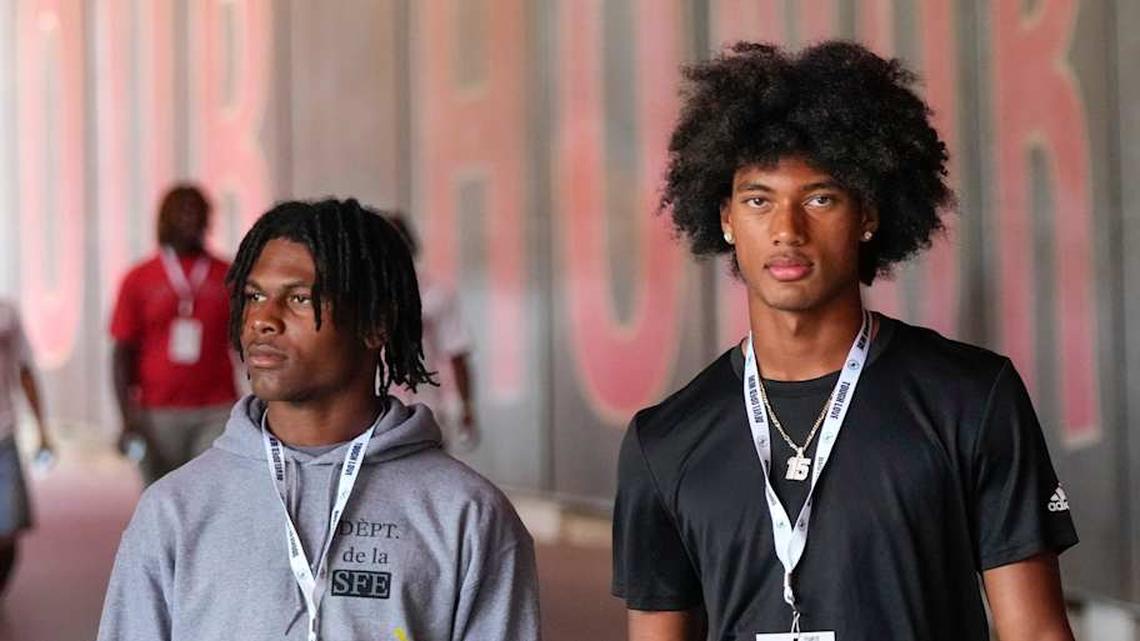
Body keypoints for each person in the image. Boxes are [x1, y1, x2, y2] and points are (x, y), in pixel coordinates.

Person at [612, 42, 1078, 641]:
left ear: (868, 215)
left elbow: (1035, 632)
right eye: (758, 200)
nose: (787, 229)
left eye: (820, 198)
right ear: (726, 218)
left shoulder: (970, 399)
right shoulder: (664, 441)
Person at [97, 199, 540, 641]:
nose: (262, 320)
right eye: (254, 297)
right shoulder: (173, 510)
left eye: (298, 298)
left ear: (374, 324)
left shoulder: (467, 515)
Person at [109, 184, 237, 484]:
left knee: (209, 491)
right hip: (156, 411)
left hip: (216, 408)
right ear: (165, 219)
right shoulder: (139, 278)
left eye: (196, 211)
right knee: (161, 495)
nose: (189, 219)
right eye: (182, 212)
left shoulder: (228, 275)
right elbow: (121, 352)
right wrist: (126, 418)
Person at [386, 213, 479, 449]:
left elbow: (457, 353)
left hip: (424, 411)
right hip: (372, 414)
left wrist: (466, 407)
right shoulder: (357, 298)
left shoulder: (434, 294)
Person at [0, 299, 52, 595]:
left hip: (3, 434)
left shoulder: (6, 314)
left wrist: (42, 429)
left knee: (8, 528)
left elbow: (24, 371)